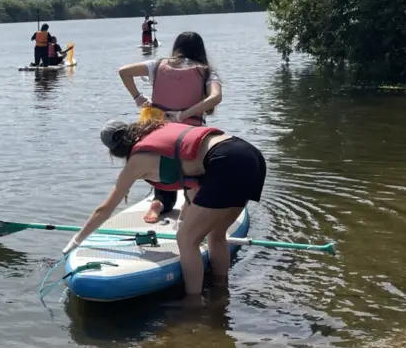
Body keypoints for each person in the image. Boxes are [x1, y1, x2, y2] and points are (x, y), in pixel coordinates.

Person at [61, 118, 267, 297]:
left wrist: (76, 240)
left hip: (225, 161)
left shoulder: (137, 161)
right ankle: (221, 290)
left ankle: (193, 302)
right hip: (249, 155)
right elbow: (196, 188)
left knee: (186, 239)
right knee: (216, 233)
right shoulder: (160, 134)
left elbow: (104, 209)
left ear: (114, 151)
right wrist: (184, 218)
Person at [117, 31, 223, 223]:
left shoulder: (158, 65)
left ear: (177, 48)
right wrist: (183, 115)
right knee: (195, 170)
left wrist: (138, 98)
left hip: (160, 131)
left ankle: (160, 201)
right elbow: (215, 98)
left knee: (160, 165)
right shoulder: (206, 71)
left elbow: (124, 71)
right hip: (190, 134)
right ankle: (188, 205)